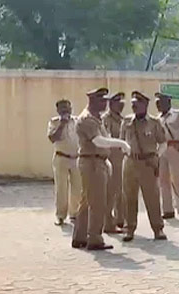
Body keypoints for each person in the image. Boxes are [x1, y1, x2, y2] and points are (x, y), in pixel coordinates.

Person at [72, 88, 130, 251]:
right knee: (98, 203)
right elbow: (98, 141)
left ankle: (80, 237)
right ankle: (95, 238)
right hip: (92, 164)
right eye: (102, 100)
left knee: (87, 201)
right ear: (93, 101)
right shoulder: (87, 119)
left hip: (97, 162)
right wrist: (122, 144)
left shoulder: (96, 119)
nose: (105, 103)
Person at [122, 91, 168, 242]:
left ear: (145, 105)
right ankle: (129, 229)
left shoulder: (154, 123)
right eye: (133, 104)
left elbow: (163, 142)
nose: (134, 106)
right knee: (129, 197)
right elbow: (122, 141)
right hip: (130, 163)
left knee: (152, 197)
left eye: (137, 104)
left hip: (148, 163)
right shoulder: (127, 121)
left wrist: (156, 155)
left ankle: (158, 229)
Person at [156, 92, 179, 222]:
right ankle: (167, 209)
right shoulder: (158, 118)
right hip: (162, 150)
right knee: (163, 181)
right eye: (157, 102)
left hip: (174, 149)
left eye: (160, 102)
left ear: (168, 103)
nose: (158, 105)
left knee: (177, 180)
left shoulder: (178, 115)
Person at [47, 99, 82, 226]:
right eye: (62, 109)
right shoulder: (54, 122)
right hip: (61, 158)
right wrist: (62, 124)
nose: (66, 111)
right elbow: (52, 138)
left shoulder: (78, 121)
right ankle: (60, 216)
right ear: (58, 111)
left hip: (76, 158)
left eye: (67, 109)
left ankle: (75, 214)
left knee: (77, 188)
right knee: (61, 188)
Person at [102, 92, 126, 232]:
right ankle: (108, 223)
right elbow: (108, 138)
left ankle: (120, 219)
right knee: (110, 191)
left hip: (122, 159)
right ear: (111, 104)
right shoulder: (106, 119)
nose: (121, 106)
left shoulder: (122, 119)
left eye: (122, 103)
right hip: (112, 158)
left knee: (122, 191)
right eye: (118, 103)